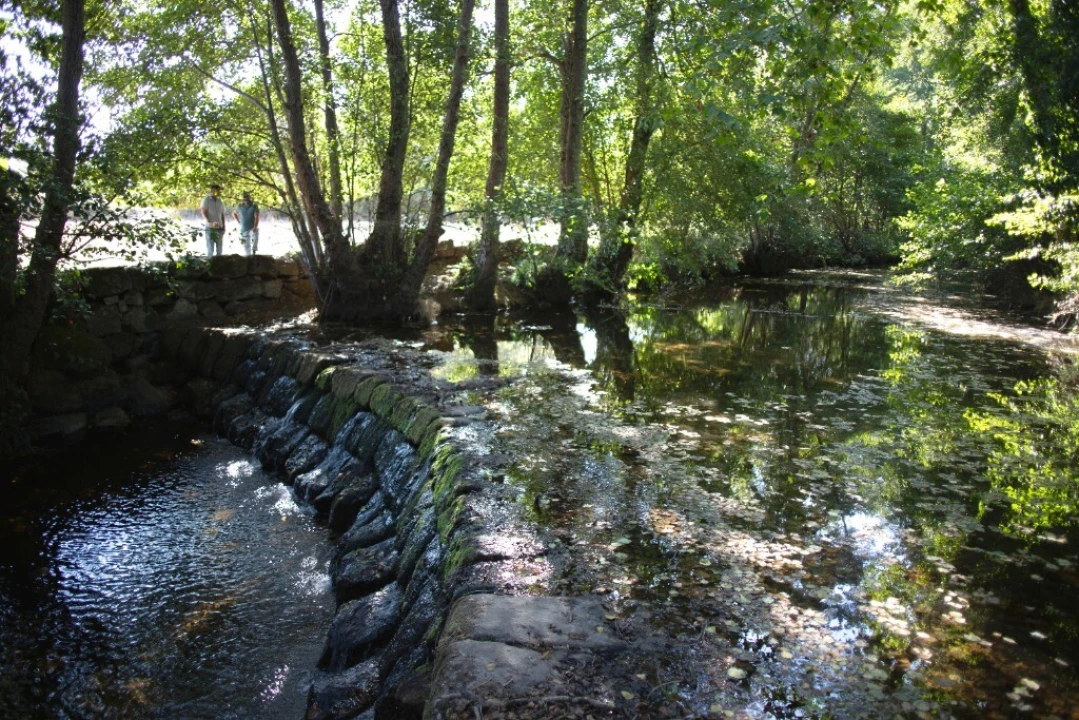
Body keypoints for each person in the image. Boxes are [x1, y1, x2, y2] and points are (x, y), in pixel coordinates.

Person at [200, 183, 226, 257]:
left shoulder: (219, 201)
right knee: (210, 249)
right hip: (210, 228)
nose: (217, 192)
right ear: (212, 190)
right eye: (216, 190)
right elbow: (203, 212)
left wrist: (224, 226)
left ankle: (219, 263)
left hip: (220, 228)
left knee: (219, 250)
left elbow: (222, 214)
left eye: (218, 191)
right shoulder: (206, 200)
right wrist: (210, 222)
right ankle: (210, 262)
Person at [233, 192, 260, 256]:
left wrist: (255, 227)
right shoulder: (239, 206)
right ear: (242, 199)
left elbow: (257, 217)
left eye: (247, 197)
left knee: (256, 233)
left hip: (252, 228)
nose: (246, 199)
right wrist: (238, 221)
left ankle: (254, 250)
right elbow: (234, 213)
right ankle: (248, 257)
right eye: (244, 197)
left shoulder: (254, 206)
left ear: (249, 197)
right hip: (244, 229)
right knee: (246, 248)